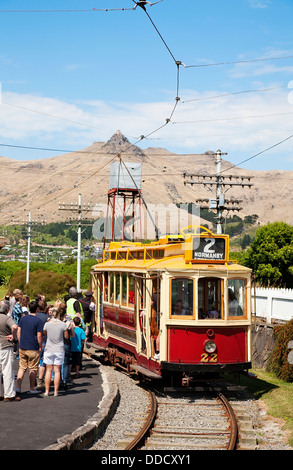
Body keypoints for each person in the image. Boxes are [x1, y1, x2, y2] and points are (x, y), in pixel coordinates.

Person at [16, 300, 43, 394]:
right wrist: (40, 346)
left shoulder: (23, 319)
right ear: (37, 309)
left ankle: (18, 387)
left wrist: (20, 342)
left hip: (23, 346)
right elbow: (39, 335)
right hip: (33, 347)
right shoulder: (38, 321)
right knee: (33, 369)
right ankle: (32, 388)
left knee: (22, 367)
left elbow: (18, 331)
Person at [42, 308, 68, 397]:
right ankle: (56, 391)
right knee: (57, 371)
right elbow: (66, 337)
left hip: (49, 348)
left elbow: (44, 333)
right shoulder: (63, 324)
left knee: (48, 370)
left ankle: (47, 391)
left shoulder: (47, 324)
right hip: (59, 349)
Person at [0, 300, 20, 401]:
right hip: (5, 346)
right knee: (7, 370)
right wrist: (13, 335)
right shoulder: (7, 318)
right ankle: (9, 394)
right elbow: (15, 326)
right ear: (7, 309)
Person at [57, 303, 75, 390]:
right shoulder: (68, 323)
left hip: (56, 344)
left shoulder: (55, 323)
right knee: (65, 363)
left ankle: (58, 380)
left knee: (57, 363)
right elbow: (72, 335)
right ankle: (64, 381)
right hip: (66, 344)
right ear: (65, 314)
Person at [36, 299, 50, 389]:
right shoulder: (47, 318)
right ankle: (40, 380)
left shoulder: (34, 316)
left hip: (33, 341)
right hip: (44, 341)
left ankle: (32, 379)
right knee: (42, 362)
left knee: (33, 362)